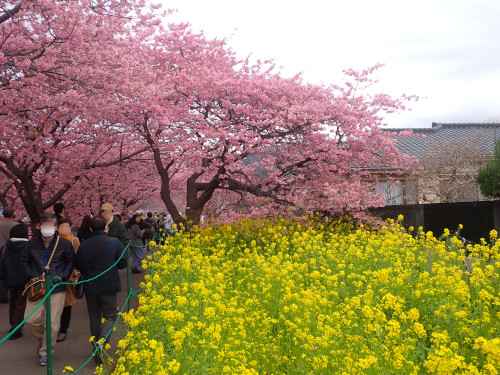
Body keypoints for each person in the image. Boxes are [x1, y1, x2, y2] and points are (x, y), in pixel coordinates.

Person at [21, 213, 75, 366]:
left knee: (52, 323)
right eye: (44, 225)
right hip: (36, 286)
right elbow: (24, 262)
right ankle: (43, 340)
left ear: (56, 227)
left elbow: (70, 263)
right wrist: (33, 277)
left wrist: (61, 277)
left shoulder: (64, 244)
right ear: (39, 226)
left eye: (50, 225)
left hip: (56, 287)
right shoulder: (31, 244)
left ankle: (46, 352)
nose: (47, 228)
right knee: (31, 319)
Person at [74, 215, 127, 364]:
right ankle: (101, 343)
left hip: (91, 286)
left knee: (94, 317)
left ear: (90, 228)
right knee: (110, 315)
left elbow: (78, 264)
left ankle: (95, 345)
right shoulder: (114, 242)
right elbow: (123, 262)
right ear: (106, 227)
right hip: (109, 285)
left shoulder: (84, 245)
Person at [0, 223, 29, 340]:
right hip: (24, 279)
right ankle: (16, 329)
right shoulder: (28, 246)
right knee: (21, 304)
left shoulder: (5, 247)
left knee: (12, 302)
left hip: (9, 279)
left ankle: (13, 323)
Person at [56, 217, 80, 342]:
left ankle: (63, 329)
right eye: (62, 226)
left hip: (68, 278)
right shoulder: (54, 241)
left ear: (70, 228)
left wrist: (75, 274)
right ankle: (56, 327)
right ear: (57, 228)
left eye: (67, 226)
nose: (64, 228)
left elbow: (77, 258)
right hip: (55, 277)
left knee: (66, 304)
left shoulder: (74, 240)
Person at [0, 206, 18, 303]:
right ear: (12, 214)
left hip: (0, 251)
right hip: (10, 252)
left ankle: (2, 295)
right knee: (9, 273)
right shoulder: (15, 225)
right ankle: (9, 295)